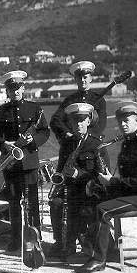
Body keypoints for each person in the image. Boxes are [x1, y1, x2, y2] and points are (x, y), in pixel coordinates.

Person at [76, 101, 137, 273]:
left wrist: (112, 182)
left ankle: (99, 260)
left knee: (103, 209)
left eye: (127, 120)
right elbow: (128, 180)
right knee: (92, 201)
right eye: (121, 121)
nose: (123, 124)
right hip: (132, 192)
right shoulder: (127, 144)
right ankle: (108, 249)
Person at [0, 70, 50, 251]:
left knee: (32, 202)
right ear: (7, 91)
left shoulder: (35, 109)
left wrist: (34, 141)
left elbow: (45, 132)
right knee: (14, 202)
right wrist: (5, 144)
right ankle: (16, 239)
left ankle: (35, 239)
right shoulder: (1, 112)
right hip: (11, 163)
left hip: (30, 161)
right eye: (11, 88)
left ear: (23, 88)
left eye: (17, 87)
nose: (15, 91)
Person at [48, 103, 108, 260]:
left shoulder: (97, 144)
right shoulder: (66, 144)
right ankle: (61, 242)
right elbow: (60, 169)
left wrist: (77, 174)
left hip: (90, 191)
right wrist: (57, 181)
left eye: (82, 120)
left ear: (89, 121)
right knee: (55, 203)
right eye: (75, 121)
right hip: (70, 188)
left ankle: (84, 243)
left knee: (80, 208)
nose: (78, 124)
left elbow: (102, 176)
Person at [50, 61, 107, 142]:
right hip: (73, 143)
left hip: (93, 142)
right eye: (79, 77)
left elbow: (101, 124)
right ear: (75, 79)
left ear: (90, 78)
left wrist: (88, 136)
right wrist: (67, 133)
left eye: (85, 77)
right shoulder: (69, 100)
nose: (82, 80)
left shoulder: (99, 100)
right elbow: (55, 120)